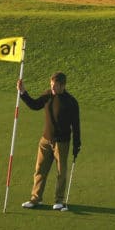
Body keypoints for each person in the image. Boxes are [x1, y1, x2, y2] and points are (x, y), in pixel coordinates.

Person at [17, 72, 81, 210]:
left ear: (63, 85)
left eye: (55, 86)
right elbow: (34, 105)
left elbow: (76, 126)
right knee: (40, 170)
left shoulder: (71, 102)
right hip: (45, 140)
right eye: (51, 85)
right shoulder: (48, 95)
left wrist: (77, 144)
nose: (52, 88)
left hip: (62, 143)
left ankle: (58, 200)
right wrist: (23, 93)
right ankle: (35, 199)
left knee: (60, 172)